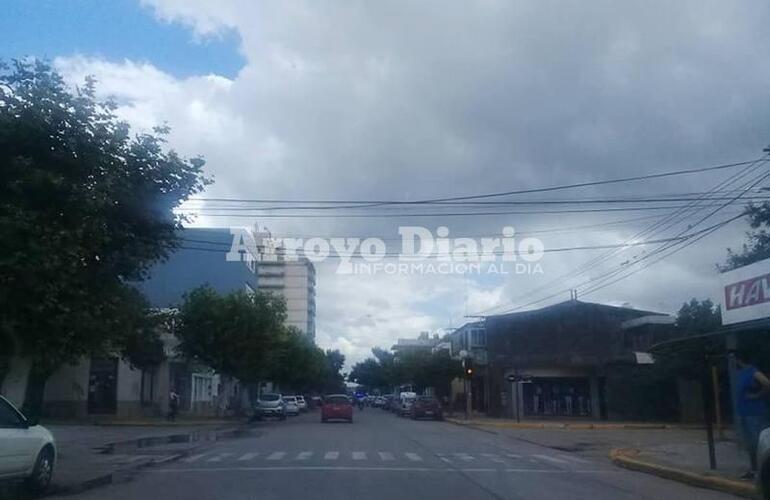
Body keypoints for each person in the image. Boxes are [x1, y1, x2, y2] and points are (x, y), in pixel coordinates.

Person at [735, 353, 770, 479]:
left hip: (755, 413)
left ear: (739, 360)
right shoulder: (742, 373)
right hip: (745, 413)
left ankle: (761, 471)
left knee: (757, 443)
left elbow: (767, 383)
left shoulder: (752, 372)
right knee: (750, 444)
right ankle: (754, 469)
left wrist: (757, 395)